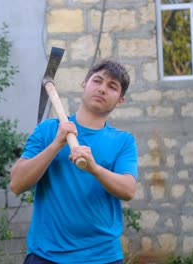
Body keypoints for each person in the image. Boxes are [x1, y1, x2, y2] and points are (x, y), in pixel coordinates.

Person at [9, 59, 138, 264]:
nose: (102, 89)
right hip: (46, 255)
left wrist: (95, 168)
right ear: (84, 84)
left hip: (102, 257)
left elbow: (128, 190)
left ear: (120, 100)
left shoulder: (123, 141)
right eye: (97, 81)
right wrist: (55, 145)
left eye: (112, 87)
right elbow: (16, 184)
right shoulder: (47, 131)